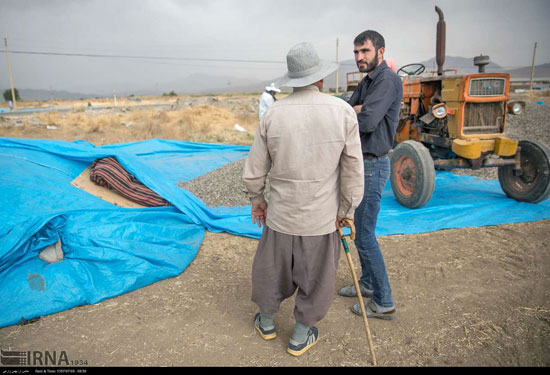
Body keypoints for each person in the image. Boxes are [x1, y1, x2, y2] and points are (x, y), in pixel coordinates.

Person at [242, 42, 364, 357]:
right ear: (319, 78)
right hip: (322, 219)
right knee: (317, 277)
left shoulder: (273, 114)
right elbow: (352, 171)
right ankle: (300, 335)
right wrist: (347, 210)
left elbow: (255, 171)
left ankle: (266, 323)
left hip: (280, 215)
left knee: (271, 270)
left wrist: (257, 199)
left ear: (292, 79)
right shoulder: (343, 112)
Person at [338, 30, 403, 320]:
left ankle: (384, 301)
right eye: (356, 52)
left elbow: (367, 120)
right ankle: (366, 283)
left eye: (364, 51)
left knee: (364, 235)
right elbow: (345, 108)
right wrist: (355, 107)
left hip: (373, 165)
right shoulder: (369, 81)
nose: (359, 57)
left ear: (380, 51)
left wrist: (357, 109)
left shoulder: (387, 80)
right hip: (361, 163)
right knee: (359, 230)